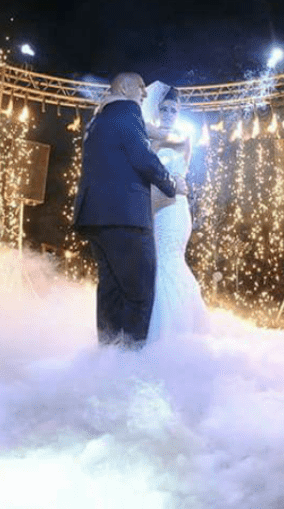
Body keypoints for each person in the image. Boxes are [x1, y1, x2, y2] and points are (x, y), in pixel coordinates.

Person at [73, 72, 187, 347]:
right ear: (124, 87)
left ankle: (109, 357)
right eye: (139, 89)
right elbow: (142, 158)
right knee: (138, 294)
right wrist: (171, 182)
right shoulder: (127, 110)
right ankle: (132, 363)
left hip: (95, 217)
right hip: (126, 217)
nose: (144, 95)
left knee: (110, 291)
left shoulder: (98, 120)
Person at [142, 83, 208, 342]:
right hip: (152, 207)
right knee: (156, 262)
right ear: (157, 110)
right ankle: (155, 331)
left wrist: (136, 116)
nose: (169, 113)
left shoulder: (181, 136)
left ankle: (170, 335)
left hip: (174, 208)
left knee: (169, 261)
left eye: (173, 109)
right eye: (164, 109)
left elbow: (157, 139)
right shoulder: (149, 138)